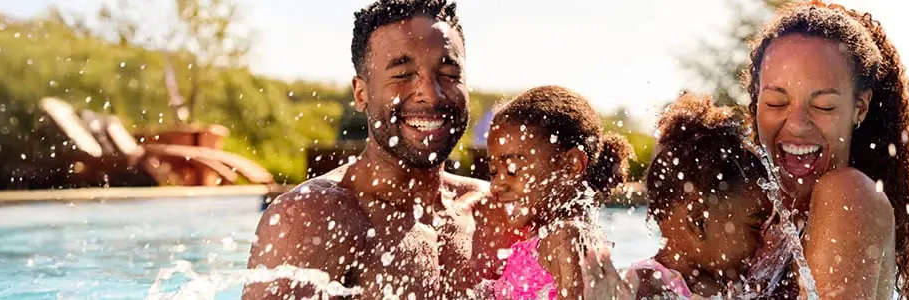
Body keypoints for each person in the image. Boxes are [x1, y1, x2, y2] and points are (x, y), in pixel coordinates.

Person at [243, 1, 487, 298]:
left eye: (448, 73)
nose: (430, 93)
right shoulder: (315, 217)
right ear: (361, 93)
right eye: (402, 74)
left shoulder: (494, 209)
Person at [742, 1, 909, 299]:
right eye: (775, 102)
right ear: (756, 99)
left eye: (823, 106)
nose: (797, 124)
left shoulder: (848, 194)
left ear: (859, 107)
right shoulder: (759, 208)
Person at [470, 85, 633, 300]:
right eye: (493, 171)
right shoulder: (551, 238)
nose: (496, 186)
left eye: (512, 170)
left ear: (571, 165)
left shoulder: (565, 238)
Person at [629, 93, 771, 299]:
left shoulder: (727, 284)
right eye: (756, 226)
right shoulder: (648, 283)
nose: (763, 241)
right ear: (699, 220)